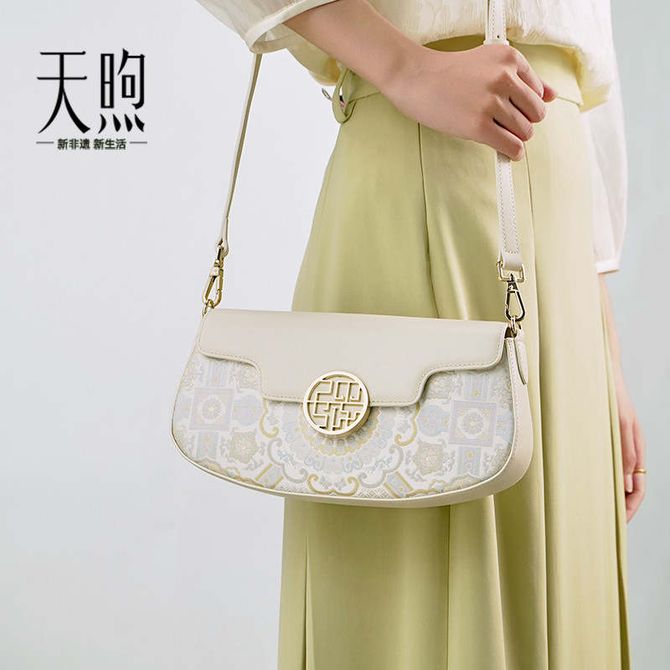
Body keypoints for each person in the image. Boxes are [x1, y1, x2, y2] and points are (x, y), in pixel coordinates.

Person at [192, 0, 647, 667]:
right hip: (422, 174)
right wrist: (405, 68)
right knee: (416, 598)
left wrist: (605, 348)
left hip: (564, 242)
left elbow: (588, 86)